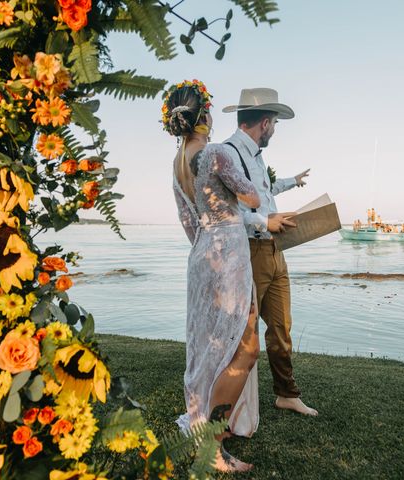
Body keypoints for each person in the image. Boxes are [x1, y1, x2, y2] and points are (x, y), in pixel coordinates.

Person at [165, 80, 261, 472]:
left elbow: (188, 222)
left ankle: (208, 432)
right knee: (247, 346)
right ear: (204, 114)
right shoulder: (218, 153)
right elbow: (252, 196)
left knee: (211, 347)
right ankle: (213, 445)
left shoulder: (177, 166)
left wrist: (207, 248)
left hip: (202, 253)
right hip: (229, 253)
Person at [222, 88, 317, 416]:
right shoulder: (228, 153)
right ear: (264, 122)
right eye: (274, 124)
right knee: (242, 333)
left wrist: (293, 182)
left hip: (276, 251)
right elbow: (229, 213)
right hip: (250, 251)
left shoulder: (257, 158)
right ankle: (228, 404)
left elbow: (264, 191)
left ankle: (286, 393)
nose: (274, 130)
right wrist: (267, 222)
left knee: (281, 327)